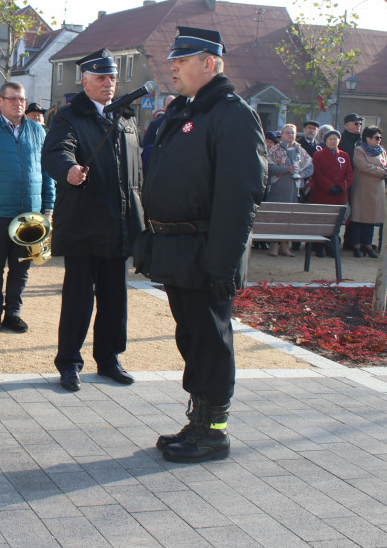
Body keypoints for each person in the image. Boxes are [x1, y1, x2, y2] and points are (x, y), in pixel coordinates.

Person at [136, 27, 266, 464]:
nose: (171, 67)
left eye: (181, 60)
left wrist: (223, 262)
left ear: (208, 63)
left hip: (207, 248)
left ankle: (214, 433)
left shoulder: (232, 114)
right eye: (172, 60)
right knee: (191, 339)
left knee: (211, 342)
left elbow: (239, 194)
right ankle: (199, 421)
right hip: (177, 249)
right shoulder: (186, 111)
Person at [42, 49, 142, 392]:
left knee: (116, 299)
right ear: (84, 82)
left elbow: (136, 174)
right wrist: (69, 169)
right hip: (85, 223)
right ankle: (69, 362)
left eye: (112, 77)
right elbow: (56, 151)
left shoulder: (126, 119)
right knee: (78, 299)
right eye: (100, 78)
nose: (108, 84)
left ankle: (110, 358)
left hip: (119, 224)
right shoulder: (70, 116)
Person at [0, 82, 54, 332]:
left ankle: (13, 312)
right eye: (12, 99)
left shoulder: (38, 131)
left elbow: (47, 173)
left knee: (21, 267)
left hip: (31, 215)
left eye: (22, 99)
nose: (18, 104)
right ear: (0, 101)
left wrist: (48, 208)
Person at [265, 123, 312, 257]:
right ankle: (274, 245)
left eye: (292, 132)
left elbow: (310, 167)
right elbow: (268, 167)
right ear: (282, 134)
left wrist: (301, 174)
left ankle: (285, 246)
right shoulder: (274, 150)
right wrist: (286, 169)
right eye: (287, 132)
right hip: (277, 188)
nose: (290, 135)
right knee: (276, 217)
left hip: (293, 189)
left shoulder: (300, 151)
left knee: (289, 218)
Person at [308, 129, 352, 257]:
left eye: (335, 139)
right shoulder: (318, 155)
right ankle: (319, 247)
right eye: (330, 139)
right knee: (322, 220)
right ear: (326, 141)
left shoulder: (344, 155)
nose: (333, 141)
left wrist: (342, 186)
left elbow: (349, 174)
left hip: (339, 194)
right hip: (323, 193)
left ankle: (332, 247)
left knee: (335, 222)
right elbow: (317, 174)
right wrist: (329, 187)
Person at [350, 126, 387, 258]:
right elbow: (363, 166)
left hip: (377, 189)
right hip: (363, 188)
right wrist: (382, 172)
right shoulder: (359, 150)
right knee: (359, 217)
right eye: (376, 138)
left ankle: (368, 244)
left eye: (380, 138)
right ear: (368, 138)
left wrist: (383, 171)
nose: (379, 140)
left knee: (371, 218)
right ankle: (356, 245)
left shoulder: (381, 151)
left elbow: (386, 165)